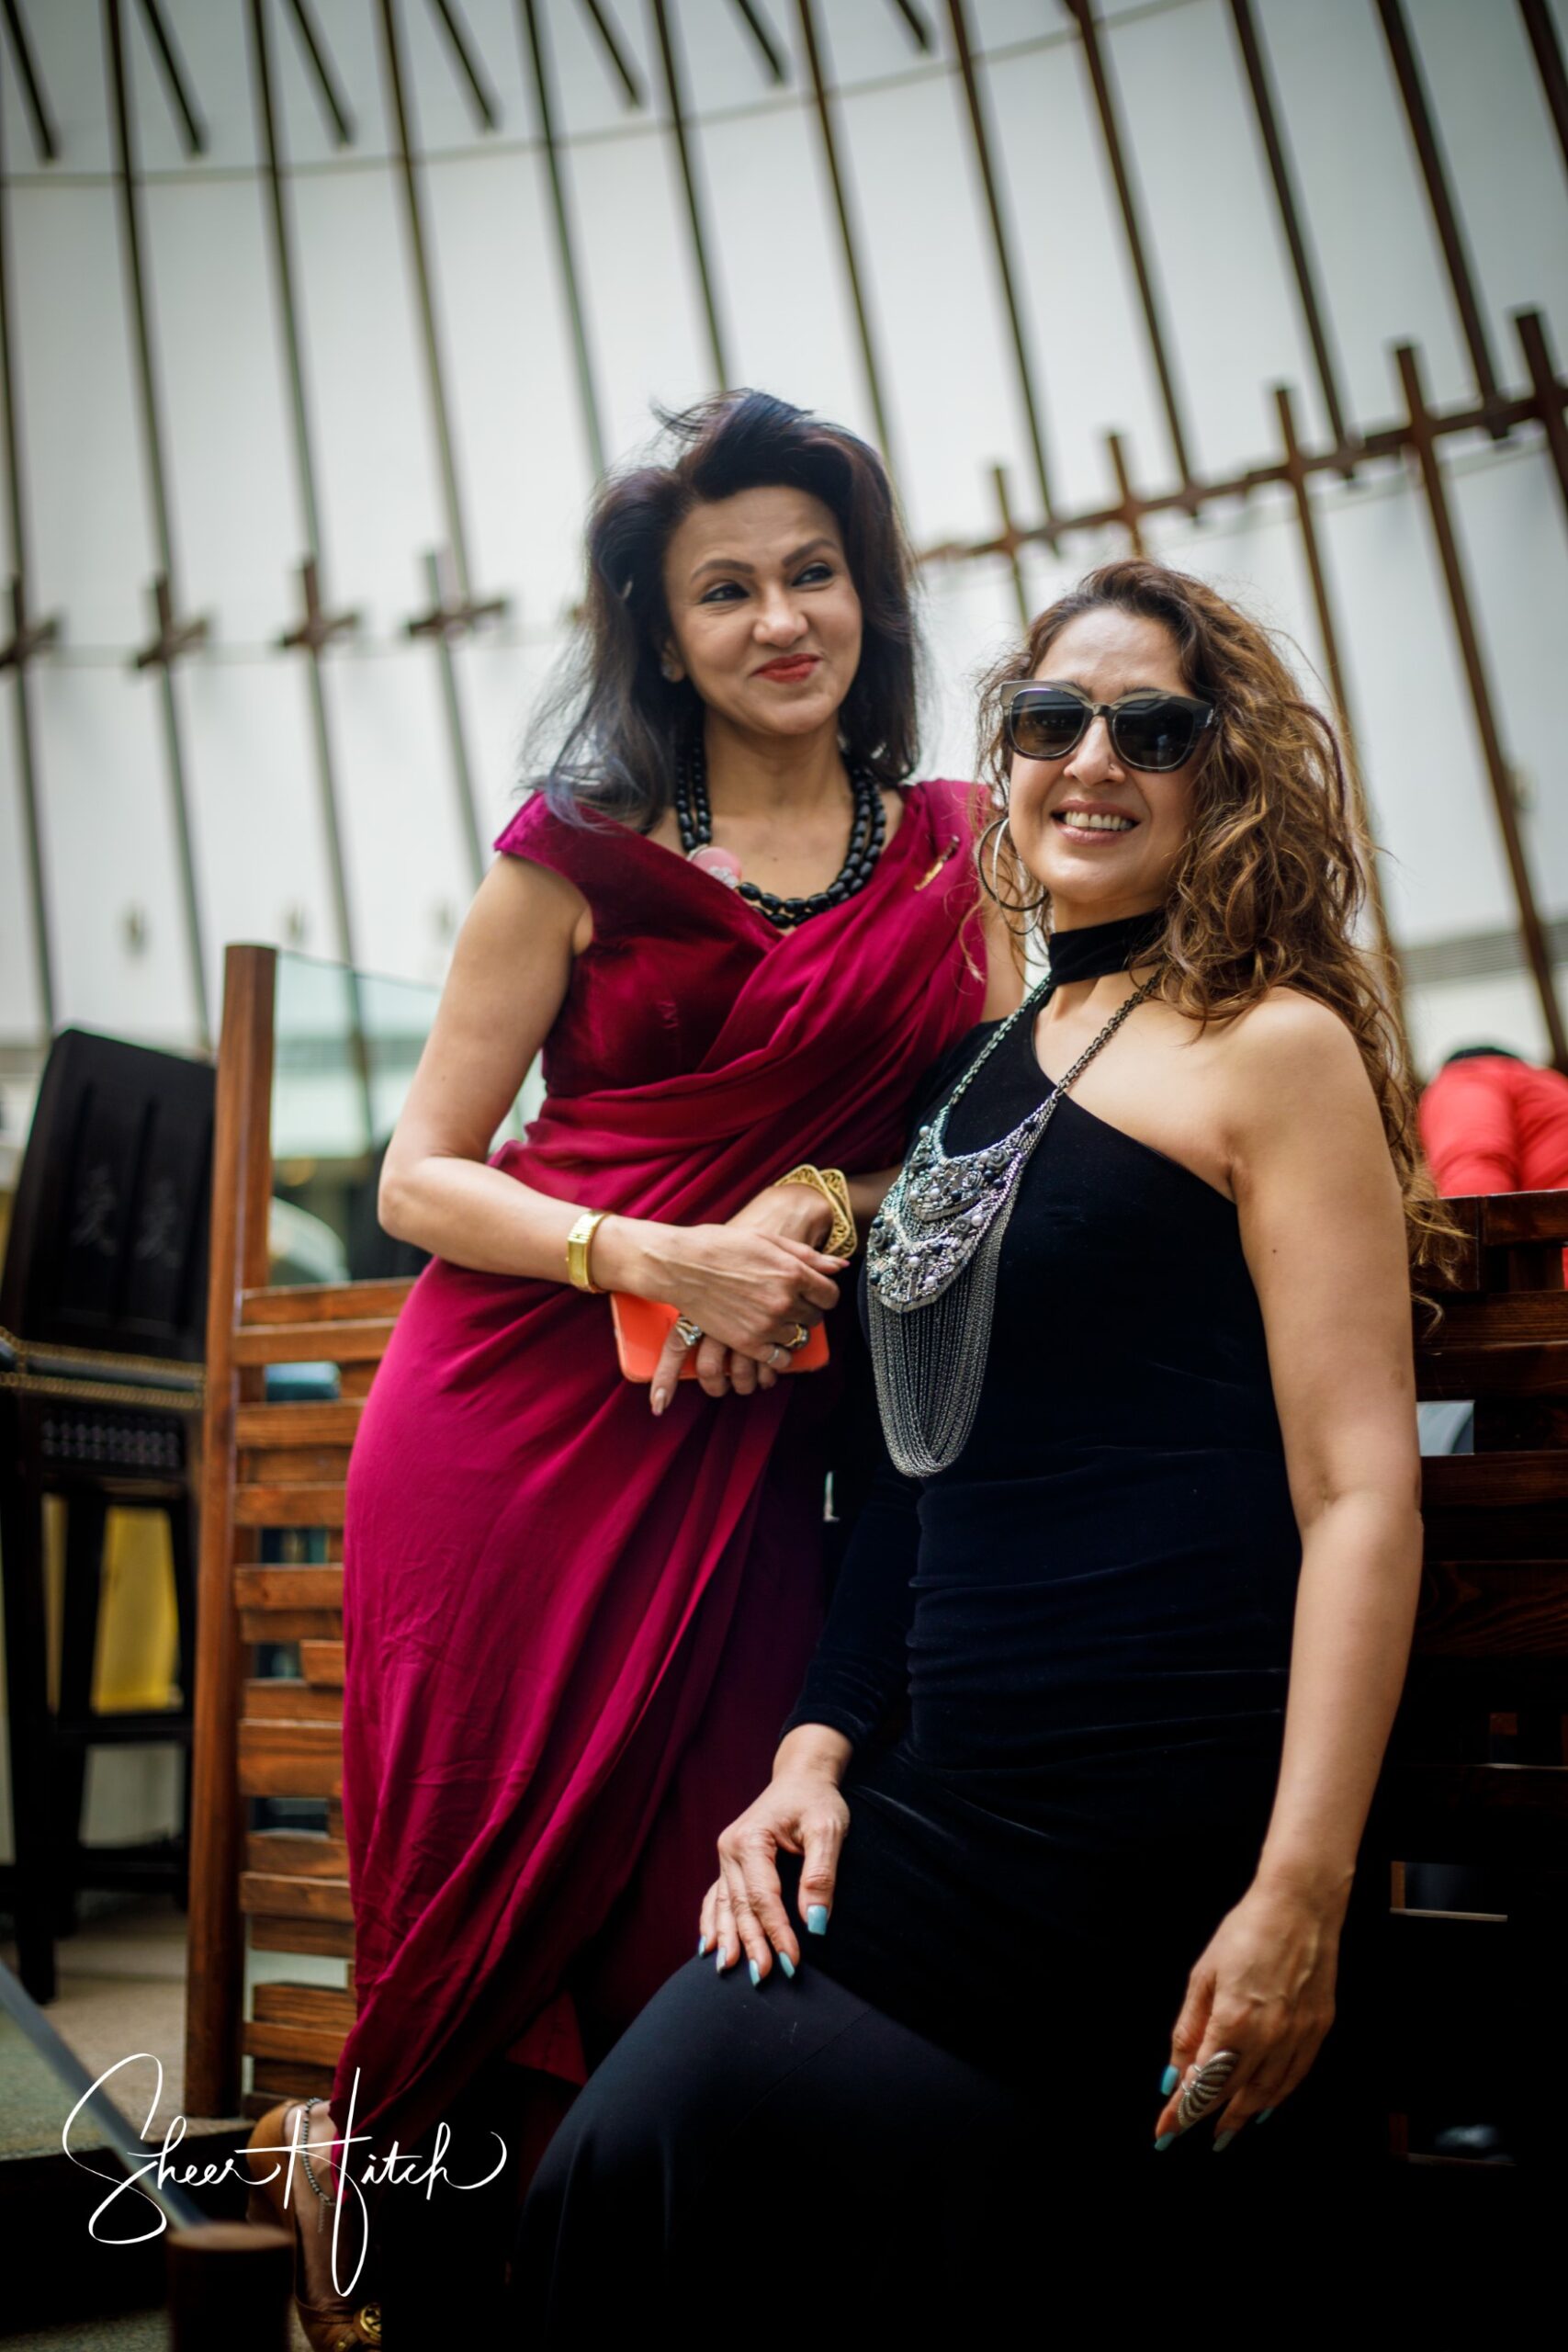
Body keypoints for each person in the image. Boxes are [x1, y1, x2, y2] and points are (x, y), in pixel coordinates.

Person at [511, 558, 1460, 2332]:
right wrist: (810, 1754)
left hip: (1146, 1829)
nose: (1091, 759)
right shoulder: (974, 1068)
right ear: (1005, 755)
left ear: (1224, 775)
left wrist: (1300, 1894)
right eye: (1051, 718)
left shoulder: (1274, 1051)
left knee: (703, 2187)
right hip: (932, 1805)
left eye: (1152, 729)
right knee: (617, 2183)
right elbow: (905, 1484)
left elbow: (1358, 1496)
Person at [244, 390, 1017, 2346]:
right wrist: (651, 1251)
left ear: (870, 597)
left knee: (710, 1884)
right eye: (725, 589)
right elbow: (418, 1177)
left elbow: (990, 1147)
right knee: (484, 1858)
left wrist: (813, 1210)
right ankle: (390, 2218)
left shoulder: (961, 854)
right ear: (661, 636)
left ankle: (638, 2282)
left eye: (813, 574)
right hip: (506, 1432)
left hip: (752, 1449)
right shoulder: (569, 855)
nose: (780, 619)